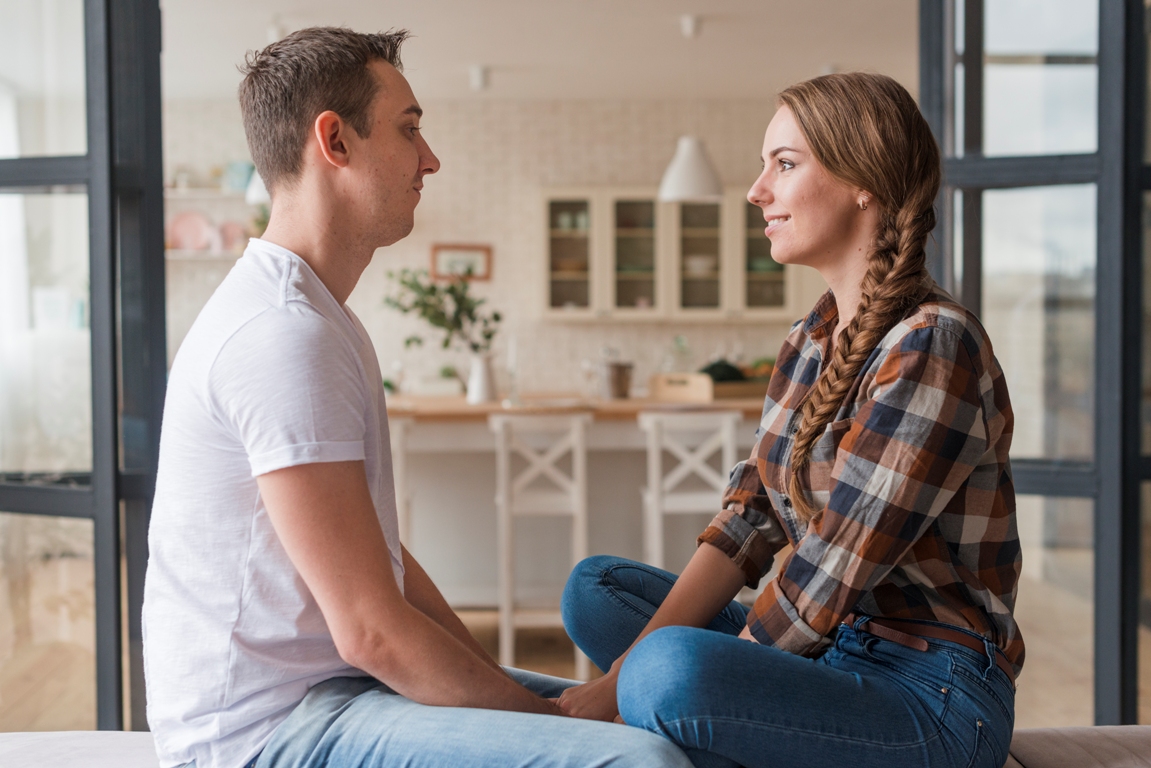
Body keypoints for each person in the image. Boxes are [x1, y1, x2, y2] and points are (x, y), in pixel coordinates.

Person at [142, 27, 693, 768]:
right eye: (409, 131)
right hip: (263, 733)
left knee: (649, 719)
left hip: (334, 691)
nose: (430, 159)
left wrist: (504, 690)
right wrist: (531, 719)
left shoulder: (316, 318)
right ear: (333, 141)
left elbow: (375, 559)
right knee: (636, 762)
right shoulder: (281, 335)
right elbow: (370, 631)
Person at [556, 72, 1024, 768]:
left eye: (783, 164)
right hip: (835, 652)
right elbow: (748, 521)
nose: (755, 191)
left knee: (665, 669)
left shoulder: (932, 343)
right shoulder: (810, 340)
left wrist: (613, 689)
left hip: (934, 691)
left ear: (864, 180)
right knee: (595, 590)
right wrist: (628, 678)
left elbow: (830, 570)